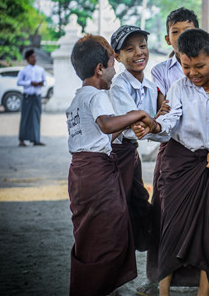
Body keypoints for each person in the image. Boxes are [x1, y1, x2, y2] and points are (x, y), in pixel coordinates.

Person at [135, 28, 209, 296]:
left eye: (199, 66)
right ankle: (164, 290)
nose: (193, 73)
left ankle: (204, 290)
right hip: (178, 164)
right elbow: (169, 121)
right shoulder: (179, 88)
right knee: (171, 228)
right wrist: (153, 126)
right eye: (186, 67)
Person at [66, 34, 159, 296]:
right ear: (100, 69)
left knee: (91, 234)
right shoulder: (96, 97)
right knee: (111, 233)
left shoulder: (77, 100)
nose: (114, 71)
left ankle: (102, 288)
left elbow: (103, 135)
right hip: (97, 172)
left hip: (82, 172)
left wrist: (130, 122)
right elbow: (106, 125)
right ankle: (101, 288)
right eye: (112, 65)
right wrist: (139, 114)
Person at [109, 25, 168, 256]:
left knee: (140, 201)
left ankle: (139, 251)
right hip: (114, 155)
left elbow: (154, 126)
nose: (139, 53)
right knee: (117, 209)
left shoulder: (151, 86)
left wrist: (152, 121)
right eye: (130, 49)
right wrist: (155, 119)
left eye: (142, 46)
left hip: (131, 154)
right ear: (117, 56)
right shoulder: (119, 86)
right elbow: (134, 129)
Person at [17, 49, 46, 147]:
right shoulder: (24, 71)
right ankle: (22, 140)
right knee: (25, 117)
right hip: (27, 97)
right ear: (27, 59)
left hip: (37, 96)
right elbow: (19, 82)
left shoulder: (40, 69)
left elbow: (45, 82)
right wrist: (30, 83)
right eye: (32, 57)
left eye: (35, 56)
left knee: (36, 118)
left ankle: (36, 139)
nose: (34, 58)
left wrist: (41, 83)